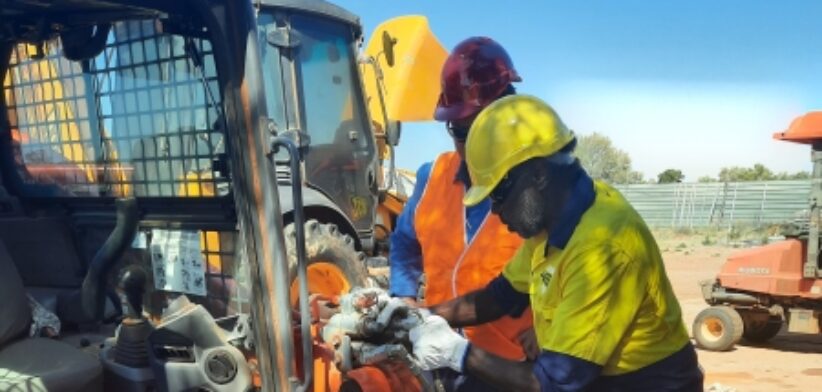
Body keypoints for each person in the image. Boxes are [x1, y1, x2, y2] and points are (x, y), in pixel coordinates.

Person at [409, 95, 704, 391]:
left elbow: (553, 383)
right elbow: (500, 296)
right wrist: (419, 317)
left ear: (537, 175)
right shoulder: (551, 224)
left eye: (498, 195)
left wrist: (456, 353)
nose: (496, 211)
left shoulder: (601, 246)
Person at [389, 37, 535, 388]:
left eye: (482, 130)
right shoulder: (432, 176)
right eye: (461, 132)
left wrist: (554, 329)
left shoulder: (539, 187)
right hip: (438, 358)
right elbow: (405, 245)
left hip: (510, 367)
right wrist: (405, 300)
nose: (472, 146)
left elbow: (568, 272)